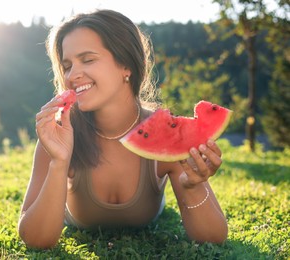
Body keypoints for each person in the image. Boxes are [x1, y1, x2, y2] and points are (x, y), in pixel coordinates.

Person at [18, 9, 228, 249]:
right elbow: (36, 240)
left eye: (88, 59)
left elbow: (213, 239)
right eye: (67, 65)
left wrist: (193, 186)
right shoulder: (59, 136)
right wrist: (58, 162)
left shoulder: (166, 137)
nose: (72, 75)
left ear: (125, 66)